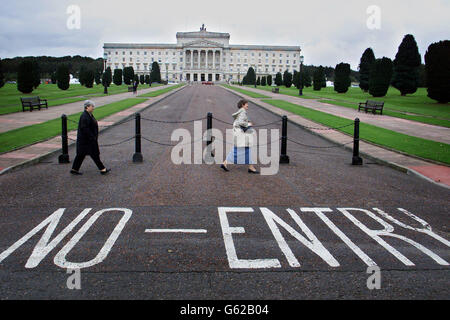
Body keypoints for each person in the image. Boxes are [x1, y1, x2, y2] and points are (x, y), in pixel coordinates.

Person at [70, 100, 110, 175]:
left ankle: (74, 169)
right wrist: (92, 137)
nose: (93, 108)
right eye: (92, 106)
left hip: (86, 140)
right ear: (87, 107)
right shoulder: (84, 116)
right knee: (94, 154)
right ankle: (102, 169)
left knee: (81, 155)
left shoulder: (88, 115)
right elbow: (84, 128)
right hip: (87, 141)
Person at [221, 99, 259, 174]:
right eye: (246, 104)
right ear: (243, 105)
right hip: (241, 134)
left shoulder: (241, 112)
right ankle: (225, 163)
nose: (248, 105)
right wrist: (249, 124)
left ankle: (251, 167)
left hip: (239, 133)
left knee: (245, 149)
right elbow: (240, 122)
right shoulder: (243, 112)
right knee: (238, 149)